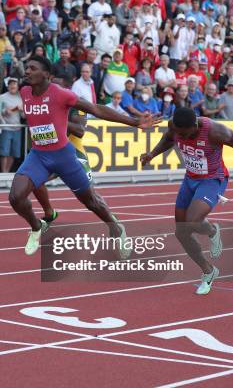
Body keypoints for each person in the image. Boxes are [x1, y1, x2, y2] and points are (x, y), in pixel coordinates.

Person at [9, 56, 158, 256]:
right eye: (26, 68)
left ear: (46, 75)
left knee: (91, 202)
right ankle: (37, 227)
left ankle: (115, 227)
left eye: (32, 68)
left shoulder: (61, 94)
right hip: (38, 156)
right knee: (15, 197)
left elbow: (97, 109)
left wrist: (134, 122)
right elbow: (19, 71)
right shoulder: (25, 91)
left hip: (64, 156)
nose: (27, 71)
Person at [141, 107, 233, 295]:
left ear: (195, 125)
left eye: (185, 134)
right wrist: (152, 154)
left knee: (192, 221)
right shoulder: (174, 126)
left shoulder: (215, 131)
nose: (182, 137)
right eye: (179, 133)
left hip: (213, 179)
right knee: (181, 233)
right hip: (190, 179)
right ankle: (208, 271)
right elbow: (168, 139)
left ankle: (212, 230)